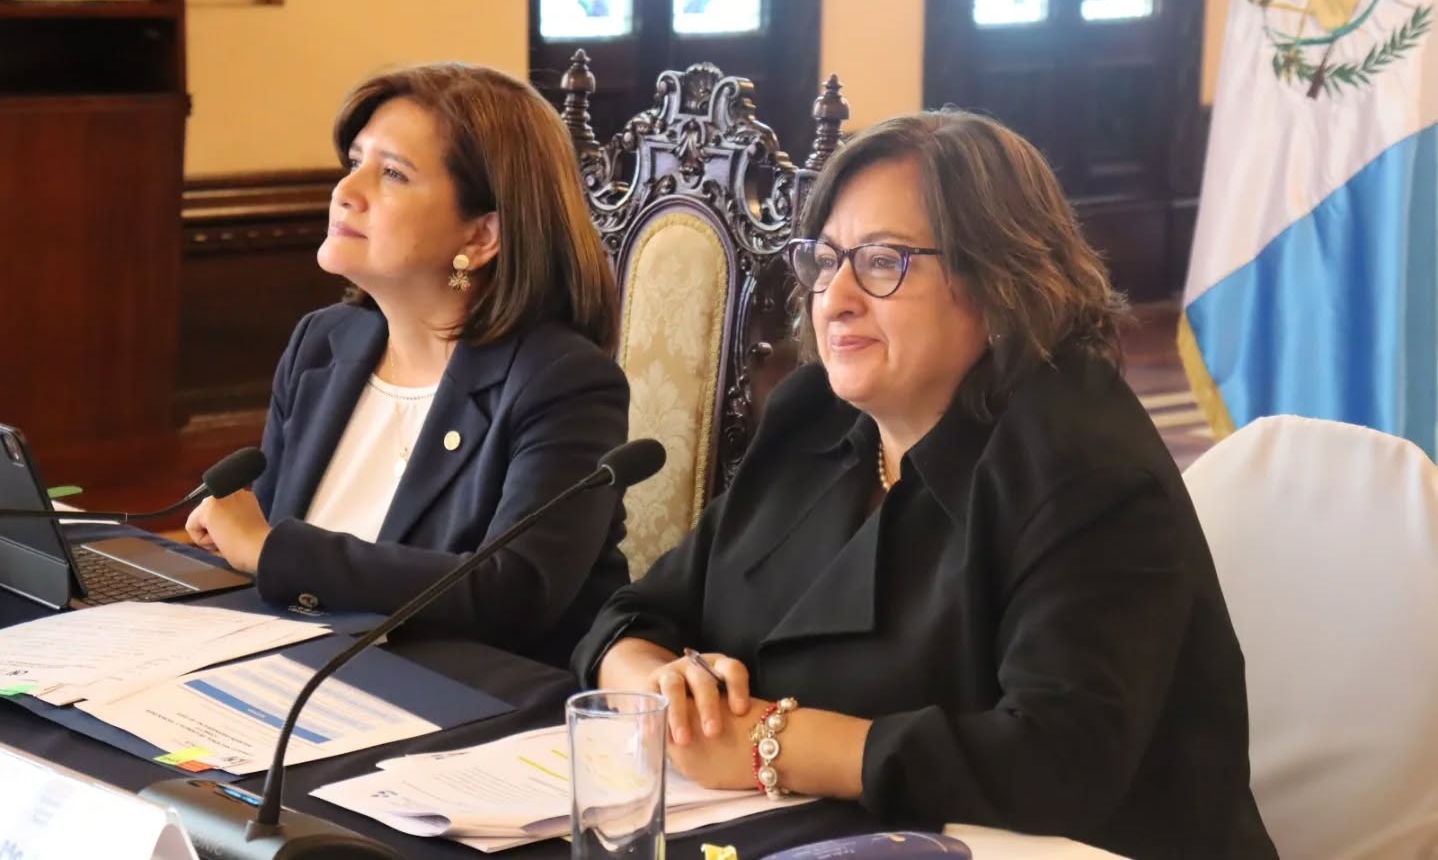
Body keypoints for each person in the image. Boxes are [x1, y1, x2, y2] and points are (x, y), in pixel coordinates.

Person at [572, 111, 1277, 858]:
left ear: (998, 280)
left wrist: (772, 744)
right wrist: (660, 689)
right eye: (826, 260)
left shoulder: (1084, 465)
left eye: (882, 262)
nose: (836, 297)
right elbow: (634, 615)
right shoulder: (812, 417)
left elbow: (1061, 761)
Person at [186, 62, 630, 665]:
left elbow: (514, 591)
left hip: (469, 699)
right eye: (354, 162)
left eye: (392, 173)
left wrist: (270, 552)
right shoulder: (323, 343)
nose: (346, 191)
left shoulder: (561, 382)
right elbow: (261, 546)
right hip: (303, 674)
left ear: (480, 237)